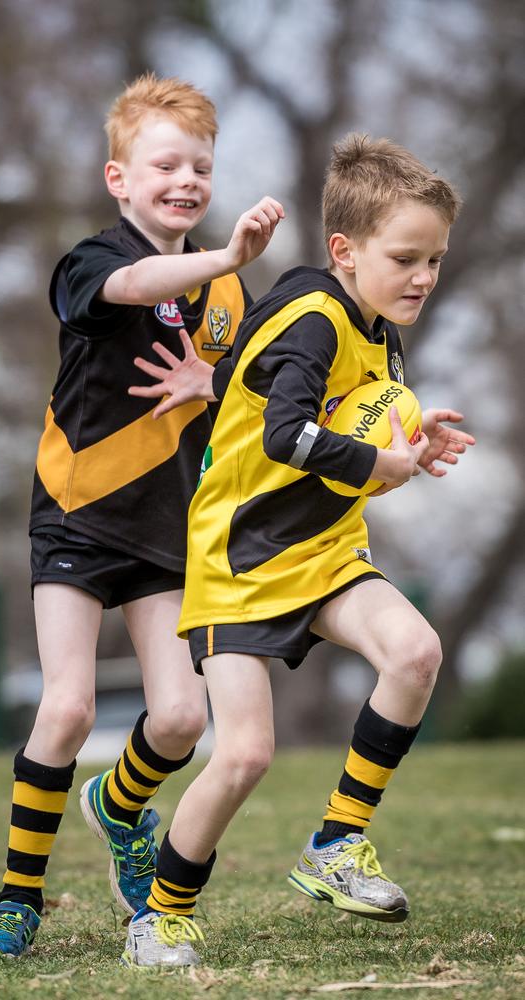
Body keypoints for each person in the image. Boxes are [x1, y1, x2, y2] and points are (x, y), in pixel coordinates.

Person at [120, 133, 475, 967]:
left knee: (416, 651)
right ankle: (162, 917)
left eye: (436, 259)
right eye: (407, 257)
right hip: (240, 557)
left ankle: (335, 845)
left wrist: (411, 445)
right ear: (345, 251)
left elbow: (352, 425)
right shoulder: (311, 316)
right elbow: (286, 435)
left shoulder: (378, 326)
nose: (424, 275)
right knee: (243, 756)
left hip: (322, 549)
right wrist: (382, 461)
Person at [0, 73, 283, 957]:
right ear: (120, 178)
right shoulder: (94, 261)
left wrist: (212, 381)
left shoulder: (226, 300)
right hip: (75, 516)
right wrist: (223, 256)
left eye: (201, 166)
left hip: (166, 532)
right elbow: (140, 285)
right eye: (165, 164)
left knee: (181, 720)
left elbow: (256, 401)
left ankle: (117, 803)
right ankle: (16, 899)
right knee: (65, 708)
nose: (185, 180)